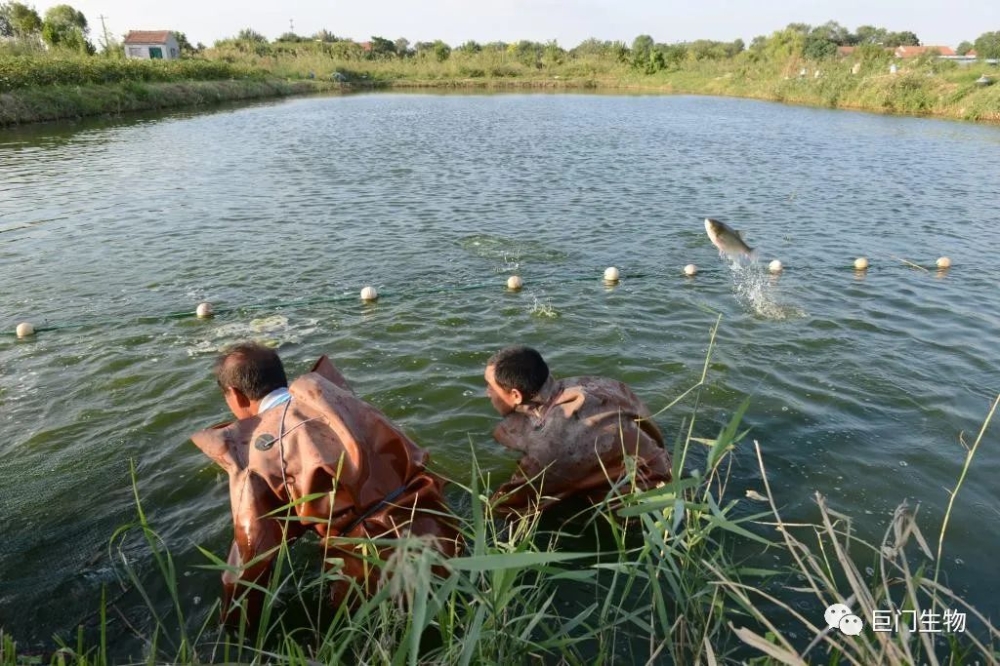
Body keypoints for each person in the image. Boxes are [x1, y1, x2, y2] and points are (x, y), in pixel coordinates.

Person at [191, 342, 460, 630]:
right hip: (440, 526)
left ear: (234, 395)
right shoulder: (336, 397)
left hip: (375, 567)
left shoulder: (257, 453)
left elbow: (253, 553)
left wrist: (234, 626)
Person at [484, 345, 671, 513]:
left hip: (644, 510)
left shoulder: (552, 447)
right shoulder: (593, 384)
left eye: (491, 387)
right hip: (664, 473)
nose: (487, 392)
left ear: (516, 395)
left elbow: (507, 505)